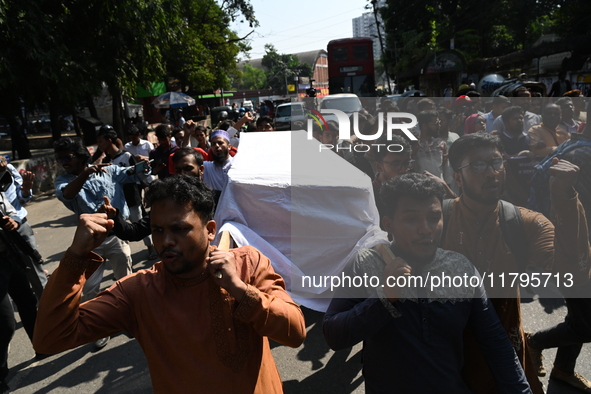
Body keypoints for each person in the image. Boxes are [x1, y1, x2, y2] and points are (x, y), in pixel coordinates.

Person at [33, 176, 306, 394]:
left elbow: (295, 332)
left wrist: (240, 290)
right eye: (157, 230)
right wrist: (75, 259)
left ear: (210, 229)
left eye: (180, 229)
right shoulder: (138, 291)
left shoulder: (248, 264)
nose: (165, 242)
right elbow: (50, 338)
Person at [323, 173, 531, 394]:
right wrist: (384, 299)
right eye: (412, 219)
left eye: (434, 217)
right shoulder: (365, 264)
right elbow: (334, 334)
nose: (425, 229)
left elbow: (495, 342)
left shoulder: (461, 268)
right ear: (388, 224)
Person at [443, 132, 591, 393]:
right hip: (445, 352)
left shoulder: (524, 223)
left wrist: (565, 199)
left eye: (497, 163)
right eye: (478, 165)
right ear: (457, 176)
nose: (492, 173)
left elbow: (574, 276)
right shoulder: (436, 221)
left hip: (503, 348)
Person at [526, 110, 591, 392]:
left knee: (580, 315)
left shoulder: (573, 147)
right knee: (587, 323)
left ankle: (563, 369)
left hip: (578, 248)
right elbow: (577, 211)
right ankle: (533, 342)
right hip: (573, 249)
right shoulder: (581, 156)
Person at [53, 137, 139, 349]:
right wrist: (85, 173)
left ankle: (130, 319)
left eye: (68, 157)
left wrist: (145, 166)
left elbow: (129, 173)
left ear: (81, 156)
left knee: (125, 281)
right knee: (90, 289)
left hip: (116, 235)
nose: (64, 161)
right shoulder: (63, 181)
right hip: (91, 242)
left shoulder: (107, 170)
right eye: (60, 158)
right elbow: (68, 194)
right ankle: (100, 328)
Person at [0, 192, 41, 393]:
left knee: (28, 303)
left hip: (9, 257)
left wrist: (12, 222)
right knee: (6, 324)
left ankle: (40, 346)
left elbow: (13, 213)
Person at [96, 126, 157, 260]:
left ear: (109, 140)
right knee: (120, 228)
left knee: (138, 224)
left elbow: (138, 174)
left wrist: (147, 188)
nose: (99, 145)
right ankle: (124, 258)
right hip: (116, 201)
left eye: (101, 141)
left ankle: (151, 247)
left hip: (132, 198)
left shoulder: (126, 156)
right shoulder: (105, 163)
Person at [0, 155, 46, 301]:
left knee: (34, 269)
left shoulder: (10, 169)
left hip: (19, 225)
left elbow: (22, 196)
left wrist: (26, 191)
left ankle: (48, 307)